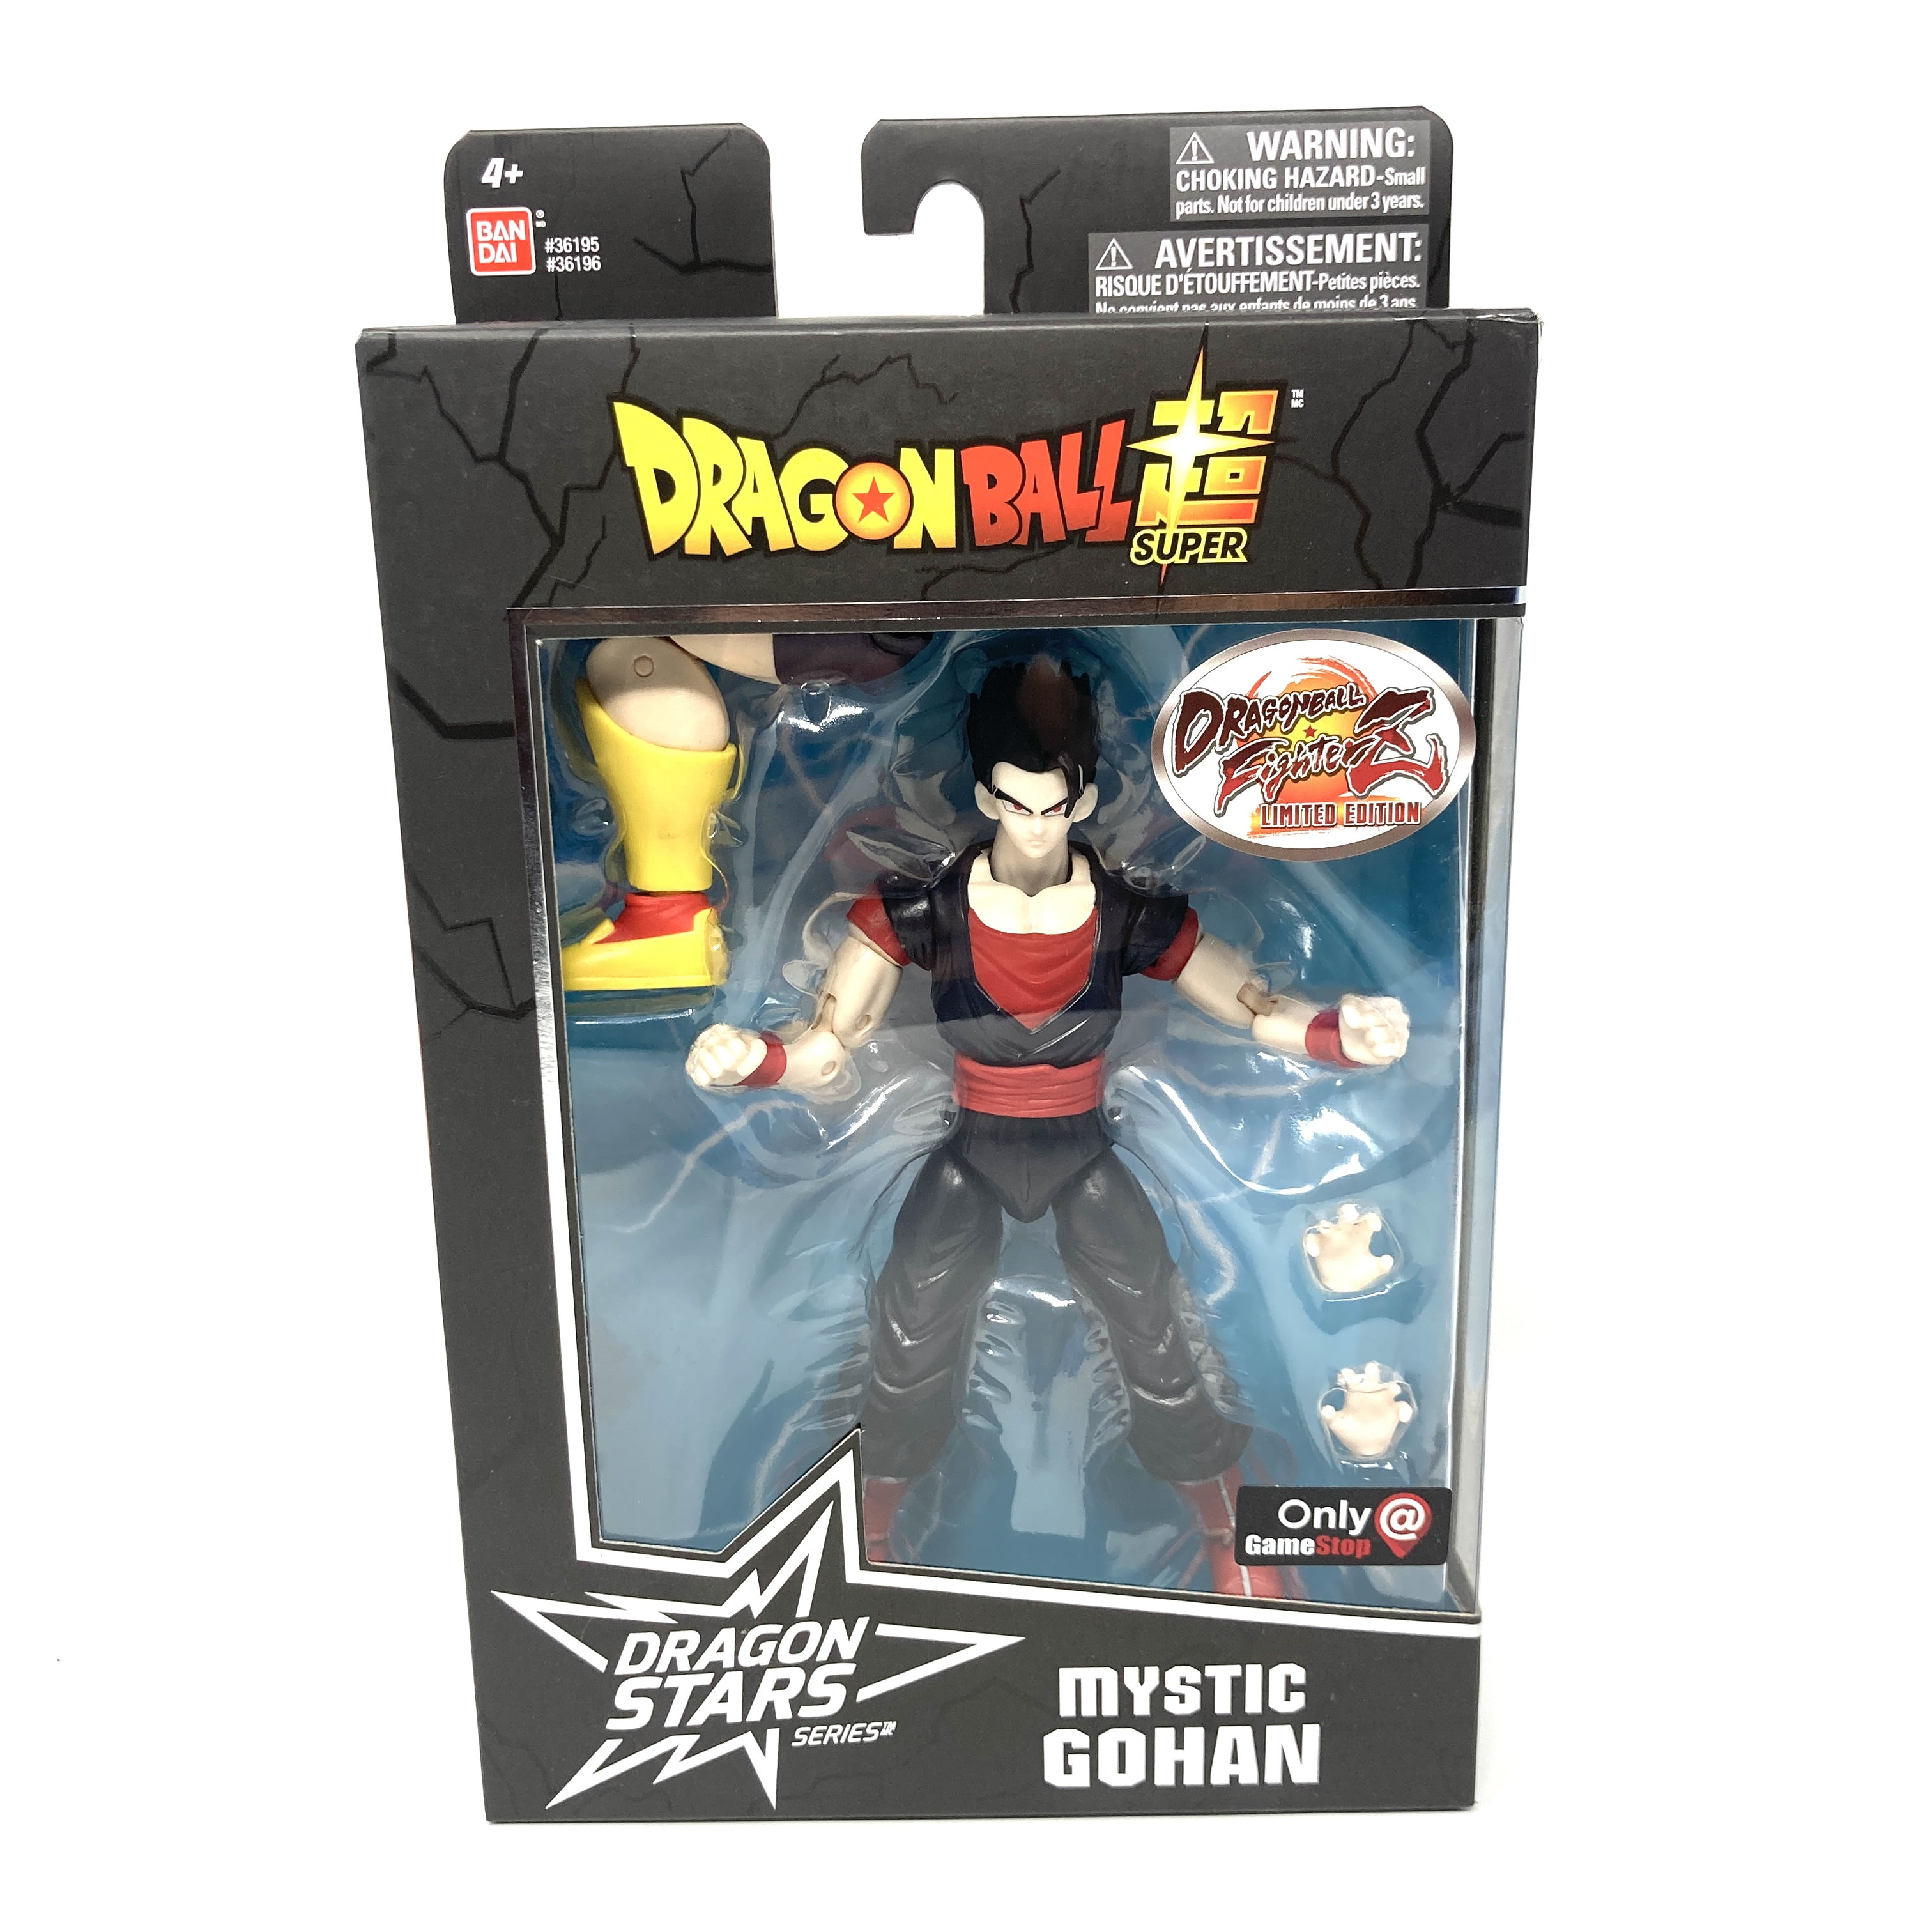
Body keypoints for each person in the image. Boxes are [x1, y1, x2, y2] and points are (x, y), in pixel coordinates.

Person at [686, 654, 1411, 1599]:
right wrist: (755, 1060)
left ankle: (1228, 1517)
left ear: (1086, 800)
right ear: (986, 796)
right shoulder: (918, 912)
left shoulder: (1130, 916)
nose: (1034, 825)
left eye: (1054, 806)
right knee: (910, 1329)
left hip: (1082, 1148)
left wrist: (1336, 1035)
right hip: (973, 1148)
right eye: (1017, 804)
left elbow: (1249, 1006)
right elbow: (830, 1046)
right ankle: (866, 1522)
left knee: (1154, 1328)